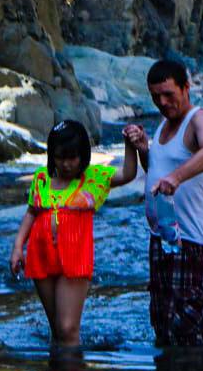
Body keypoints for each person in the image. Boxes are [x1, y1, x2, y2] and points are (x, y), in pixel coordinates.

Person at [10, 120, 140, 344]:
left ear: (83, 156)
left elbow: (128, 174)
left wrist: (129, 145)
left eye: (73, 157)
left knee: (68, 328)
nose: (67, 164)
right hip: (41, 255)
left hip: (75, 258)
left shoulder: (92, 178)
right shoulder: (42, 178)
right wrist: (18, 247)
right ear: (52, 156)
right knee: (57, 330)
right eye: (61, 157)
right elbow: (31, 212)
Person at [123, 60, 203, 345]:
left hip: (190, 241)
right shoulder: (163, 125)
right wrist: (143, 148)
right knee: (161, 321)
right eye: (156, 96)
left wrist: (176, 177)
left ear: (186, 87)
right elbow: (155, 170)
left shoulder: (198, 119)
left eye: (168, 94)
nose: (162, 102)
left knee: (187, 327)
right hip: (161, 238)